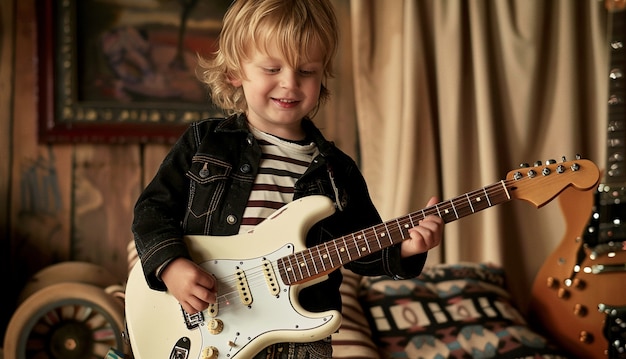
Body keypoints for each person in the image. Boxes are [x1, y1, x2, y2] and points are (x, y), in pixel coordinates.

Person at [131, 0, 444, 358]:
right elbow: (152, 210)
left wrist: (405, 247)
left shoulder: (336, 171)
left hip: (300, 342)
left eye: (307, 71)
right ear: (235, 71)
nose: (290, 83)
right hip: (209, 321)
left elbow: (359, 247)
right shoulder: (206, 142)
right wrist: (171, 264)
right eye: (271, 68)